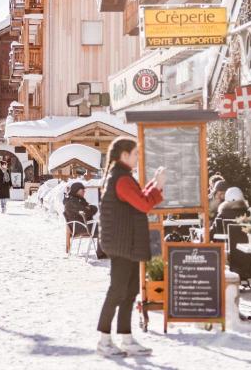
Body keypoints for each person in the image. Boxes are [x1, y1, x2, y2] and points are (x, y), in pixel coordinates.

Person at [97, 137, 165, 357]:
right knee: (118, 292)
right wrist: (159, 186)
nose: (138, 157)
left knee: (130, 292)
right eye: (135, 153)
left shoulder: (122, 177)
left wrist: (153, 185)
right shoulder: (122, 179)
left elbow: (138, 199)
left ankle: (126, 338)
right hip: (123, 243)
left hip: (126, 243)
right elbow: (143, 204)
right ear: (124, 156)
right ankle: (104, 340)